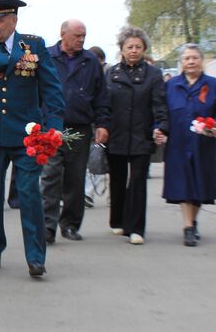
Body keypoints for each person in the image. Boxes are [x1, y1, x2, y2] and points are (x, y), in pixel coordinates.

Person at [0, 0, 64, 278]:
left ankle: (35, 257)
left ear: (13, 20)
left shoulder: (33, 45)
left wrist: (54, 124)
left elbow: (52, 89)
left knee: (30, 196)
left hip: (26, 136)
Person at [41, 20, 110, 243]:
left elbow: (101, 96)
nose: (81, 40)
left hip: (80, 128)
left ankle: (70, 224)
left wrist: (102, 124)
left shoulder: (90, 61)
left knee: (75, 179)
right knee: (50, 176)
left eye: (84, 36)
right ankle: (47, 226)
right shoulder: (47, 56)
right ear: (63, 34)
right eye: (77, 35)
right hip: (51, 127)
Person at [162, 44, 216, 246]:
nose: (191, 62)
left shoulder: (214, 85)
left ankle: (192, 222)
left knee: (200, 185)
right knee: (184, 184)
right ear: (181, 62)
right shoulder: (171, 85)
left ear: (202, 61)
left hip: (204, 143)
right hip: (178, 142)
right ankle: (188, 227)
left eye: (194, 58)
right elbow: (162, 111)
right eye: (186, 58)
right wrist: (160, 129)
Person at [106, 26, 168, 245]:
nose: (134, 50)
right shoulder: (111, 73)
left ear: (144, 49)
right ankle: (119, 221)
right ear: (121, 49)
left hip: (142, 135)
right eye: (129, 47)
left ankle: (136, 228)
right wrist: (102, 127)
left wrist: (161, 127)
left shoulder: (154, 74)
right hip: (117, 134)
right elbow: (104, 105)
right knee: (118, 179)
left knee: (139, 181)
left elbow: (160, 104)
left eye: (138, 47)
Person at [84, 45, 108, 208]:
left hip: (101, 123)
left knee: (98, 159)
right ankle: (87, 192)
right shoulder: (86, 73)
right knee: (89, 160)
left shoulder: (108, 73)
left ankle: (90, 192)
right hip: (87, 121)